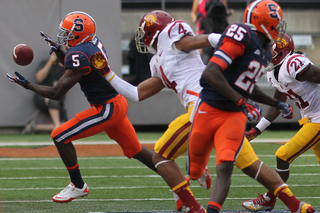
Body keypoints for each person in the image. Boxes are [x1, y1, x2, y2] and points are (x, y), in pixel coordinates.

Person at [7, 11, 156, 203]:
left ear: (79, 35)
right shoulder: (91, 43)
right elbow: (74, 66)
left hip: (107, 109)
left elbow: (57, 93)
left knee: (59, 135)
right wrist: (59, 50)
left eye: (68, 33)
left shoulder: (80, 53)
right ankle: (175, 178)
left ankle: (78, 186)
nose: (64, 36)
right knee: (135, 150)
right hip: (117, 102)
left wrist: (27, 85)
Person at [187, 1, 315, 213]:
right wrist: (241, 101)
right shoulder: (242, 35)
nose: (278, 25)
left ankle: (212, 211)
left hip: (233, 115)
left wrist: (275, 103)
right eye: (275, 21)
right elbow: (210, 73)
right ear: (263, 22)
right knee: (193, 170)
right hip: (208, 109)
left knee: (225, 166)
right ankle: (195, 175)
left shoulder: (265, 50)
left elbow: (246, 86)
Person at [95, 10, 221, 213]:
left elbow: (195, 41)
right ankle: (196, 171)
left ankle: (194, 202)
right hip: (201, 107)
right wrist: (107, 74)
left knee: (161, 155)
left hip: (203, 105)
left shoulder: (172, 33)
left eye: (143, 30)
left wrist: (227, 41)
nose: (141, 36)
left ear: (153, 29)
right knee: (245, 161)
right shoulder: (158, 60)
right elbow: (136, 94)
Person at [243, 33, 320, 212]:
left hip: (317, 120)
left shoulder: (294, 63)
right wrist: (257, 129)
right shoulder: (274, 72)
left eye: (271, 53)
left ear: (283, 52)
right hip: (310, 118)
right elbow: (278, 104)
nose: (267, 57)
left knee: (282, 155)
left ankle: (269, 198)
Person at [21, 52, 68, 134]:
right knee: (53, 99)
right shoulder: (44, 63)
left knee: (66, 126)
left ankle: (35, 127)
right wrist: (50, 61)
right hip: (42, 96)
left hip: (58, 99)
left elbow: (69, 80)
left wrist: (64, 66)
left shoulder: (63, 68)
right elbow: (39, 78)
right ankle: (57, 126)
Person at [191, 0, 234, 64]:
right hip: (204, 27)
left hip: (218, 27)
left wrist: (229, 13)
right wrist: (195, 18)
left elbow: (225, 11)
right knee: (200, 50)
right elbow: (193, 13)